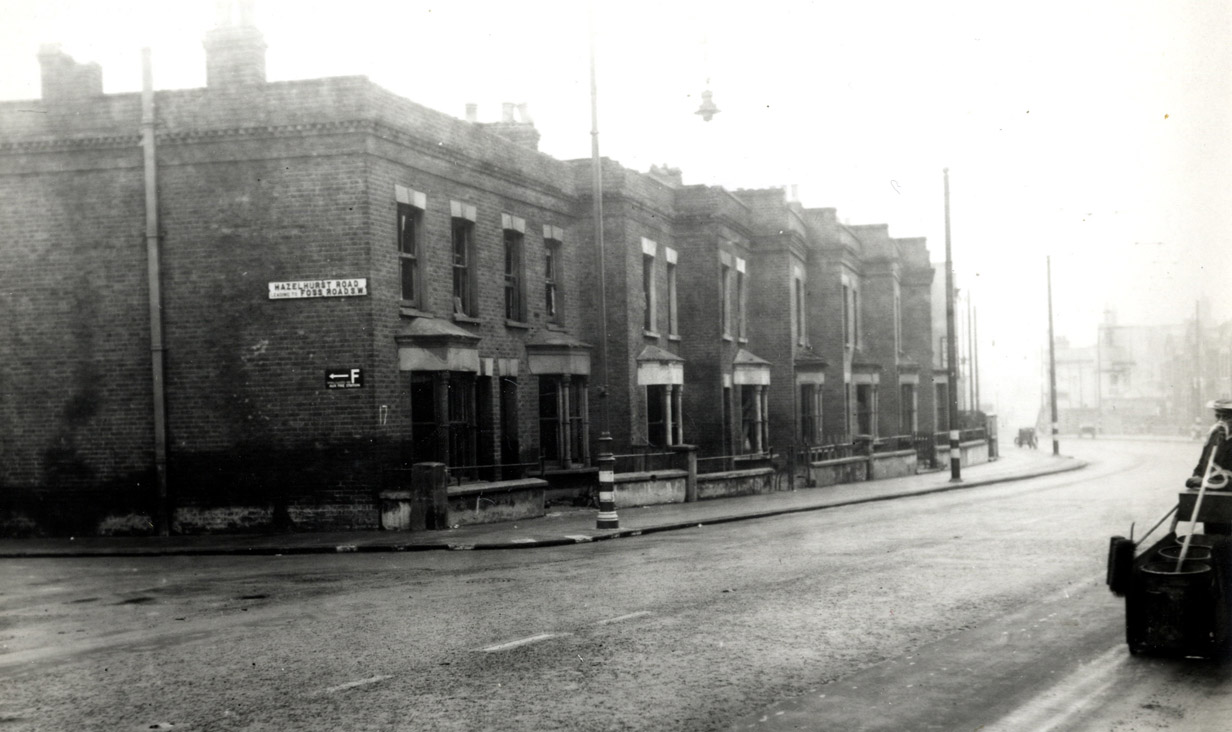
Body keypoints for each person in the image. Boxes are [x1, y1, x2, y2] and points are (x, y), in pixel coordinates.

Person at [1187, 398, 1232, 491]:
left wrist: (1205, 482)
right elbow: (1201, 465)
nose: (1221, 422)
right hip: (1208, 493)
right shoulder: (1214, 435)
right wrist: (1196, 477)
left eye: (1226, 417)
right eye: (1218, 417)